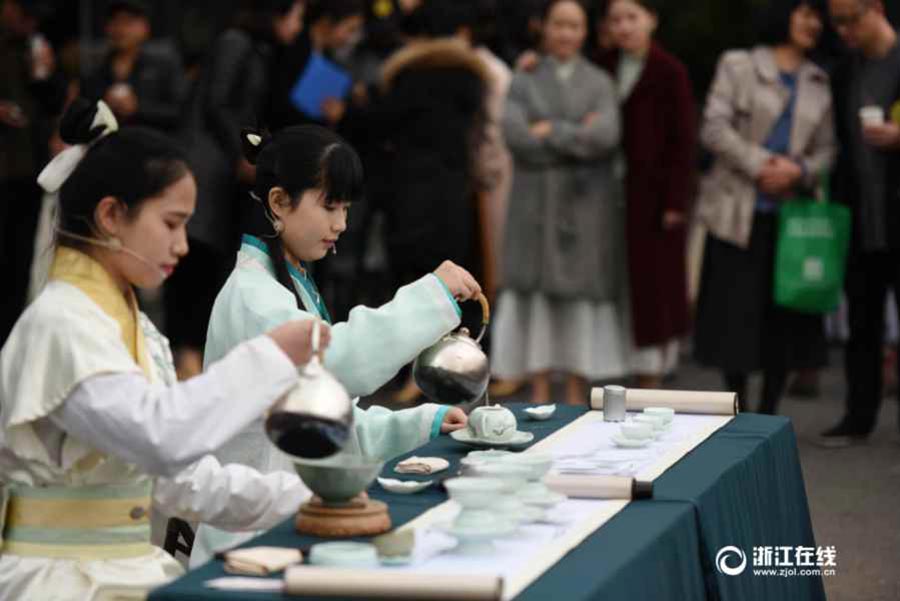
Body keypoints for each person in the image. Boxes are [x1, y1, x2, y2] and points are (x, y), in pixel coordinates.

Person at [0, 99, 327, 600]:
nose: (182, 245)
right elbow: (161, 435)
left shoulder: (130, 325)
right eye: (171, 223)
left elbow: (179, 479)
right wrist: (270, 356)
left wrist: (314, 496)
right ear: (112, 215)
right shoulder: (59, 322)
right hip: (59, 579)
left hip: (126, 566)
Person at [194, 123, 474, 564]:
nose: (341, 224)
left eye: (344, 208)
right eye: (329, 206)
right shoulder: (256, 297)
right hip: (252, 540)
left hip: (284, 520)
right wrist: (432, 295)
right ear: (278, 202)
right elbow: (340, 365)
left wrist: (422, 424)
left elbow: (326, 420)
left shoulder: (287, 284)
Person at [693, 0, 836, 414]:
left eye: (817, 17)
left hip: (790, 218)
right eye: (805, 13)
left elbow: (829, 149)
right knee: (734, 319)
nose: (813, 24)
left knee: (782, 320)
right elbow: (713, 127)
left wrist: (799, 170)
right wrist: (760, 166)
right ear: (783, 13)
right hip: (737, 212)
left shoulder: (819, 80)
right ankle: (736, 408)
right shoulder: (737, 64)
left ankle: (769, 412)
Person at [491, 0, 627, 406]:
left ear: (586, 31)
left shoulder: (600, 81)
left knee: (578, 303)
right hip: (534, 206)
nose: (566, 33)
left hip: (584, 207)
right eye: (559, 25)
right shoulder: (525, 78)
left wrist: (550, 129)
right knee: (535, 299)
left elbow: (606, 136)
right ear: (545, 28)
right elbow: (516, 136)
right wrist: (575, 136)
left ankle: (574, 395)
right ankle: (537, 394)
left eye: (574, 25)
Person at [172, 0, 305, 379]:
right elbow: (218, 103)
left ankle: (194, 357)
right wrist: (246, 152)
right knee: (196, 260)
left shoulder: (256, 48)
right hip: (208, 166)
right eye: (295, 15)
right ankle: (187, 358)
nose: (297, 27)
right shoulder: (235, 41)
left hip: (219, 165)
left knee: (206, 260)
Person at [596, 0, 698, 388]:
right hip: (606, 193)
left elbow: (683, 142)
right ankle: (617, 371)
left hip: (653, 196)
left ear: (652, 19)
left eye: (632, 18)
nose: (624, 27)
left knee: (653, 288)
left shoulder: (669, 71)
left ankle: (651, 375)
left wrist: (675, 201)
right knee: (617, 284)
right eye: (616, 19)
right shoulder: (601, 65)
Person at [820, 0, 900, 445]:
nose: (845, 30)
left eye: (852, 19)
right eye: (838, 23)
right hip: (859, 218)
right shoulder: (844, 71)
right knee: (862, 326)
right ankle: (858, 418)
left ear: (877, 8)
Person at [0, 0, 67, 346]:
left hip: (27, 172)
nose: (26, 21)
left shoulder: (36, 47)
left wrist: (43, 74)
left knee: (19, 264)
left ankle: (10, 341)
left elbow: (55, 103)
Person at [80, 0, 185, 132]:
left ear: (145, 27)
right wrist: (104, 107)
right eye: (114, 21)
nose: (120, 28)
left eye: (128, 22)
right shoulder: (95, 72)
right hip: (108, 147)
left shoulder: (164, 67)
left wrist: (138, 108)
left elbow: (182, 112)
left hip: (154, 146)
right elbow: (83, 118)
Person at [268, 0, 366, 131]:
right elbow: (276, 101)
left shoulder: (330, 59)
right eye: (349, 29)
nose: (349, 38)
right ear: (327, 22)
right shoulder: (294, 44)